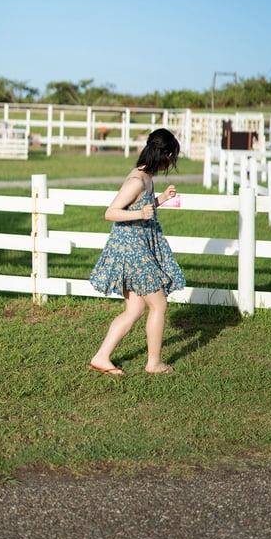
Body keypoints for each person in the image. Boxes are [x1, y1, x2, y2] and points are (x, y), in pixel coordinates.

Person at [89, 128, 186, 375]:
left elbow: (143, 205)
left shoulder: (147, 177)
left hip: (137, 247)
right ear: (162, 154)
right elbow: (110, 212)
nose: (170, 163)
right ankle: (153, 363)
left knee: (135, 310)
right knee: (159, 305)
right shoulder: (136, 181)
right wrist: (139, 214)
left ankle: (101, 357)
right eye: (170, 158)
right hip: (131, 251)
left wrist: (160, 199)